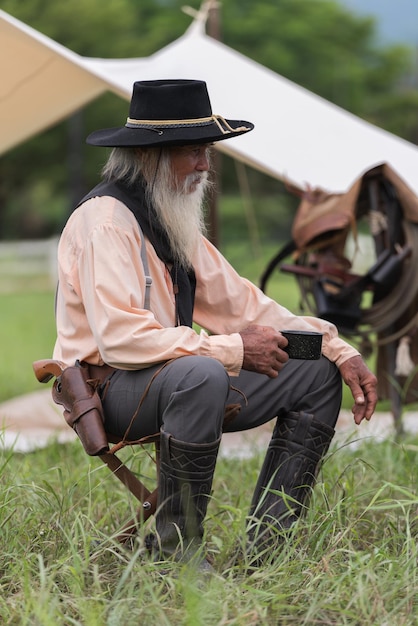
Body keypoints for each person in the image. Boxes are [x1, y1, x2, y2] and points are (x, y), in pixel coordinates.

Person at [53, 79, 377, 571]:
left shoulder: (167, 217)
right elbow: (120, 342)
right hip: (111, 390)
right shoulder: (105, 223)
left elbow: (247, 308)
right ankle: (176, 554)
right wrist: (231, 351)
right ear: (154, 157)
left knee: (314, 370)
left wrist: (337, 348)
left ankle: (270, 546)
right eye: (194, 152)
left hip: (173, 378)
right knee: (201, 373)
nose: (206, 165)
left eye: (207, 151)